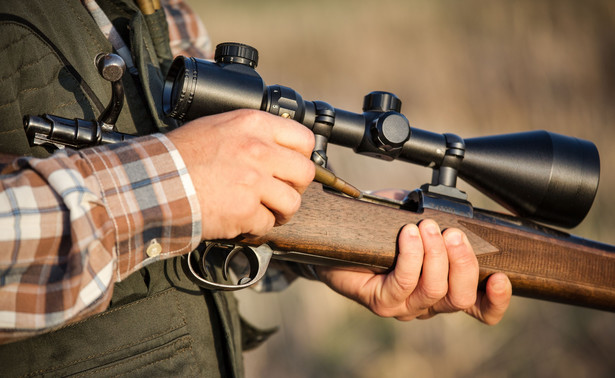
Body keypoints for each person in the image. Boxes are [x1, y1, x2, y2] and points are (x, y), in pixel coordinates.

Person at [0, 0, 512, 376]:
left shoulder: (159, 6)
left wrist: (324, 243)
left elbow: (198, 219)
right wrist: (183, 182)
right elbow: (188, 179)